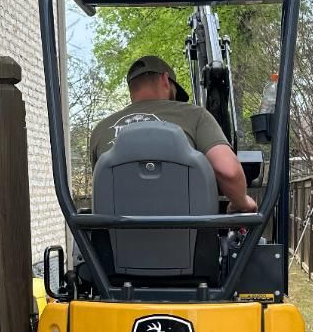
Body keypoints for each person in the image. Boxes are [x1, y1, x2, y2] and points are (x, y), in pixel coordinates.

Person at [90, 54, 257, 213]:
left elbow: (103, 191)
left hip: (116, 241)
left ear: (131, 88)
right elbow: (228, 171)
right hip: (192, 240)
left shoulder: (101, 130)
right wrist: (241, 202)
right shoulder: (195, 115)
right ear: (164, 78)